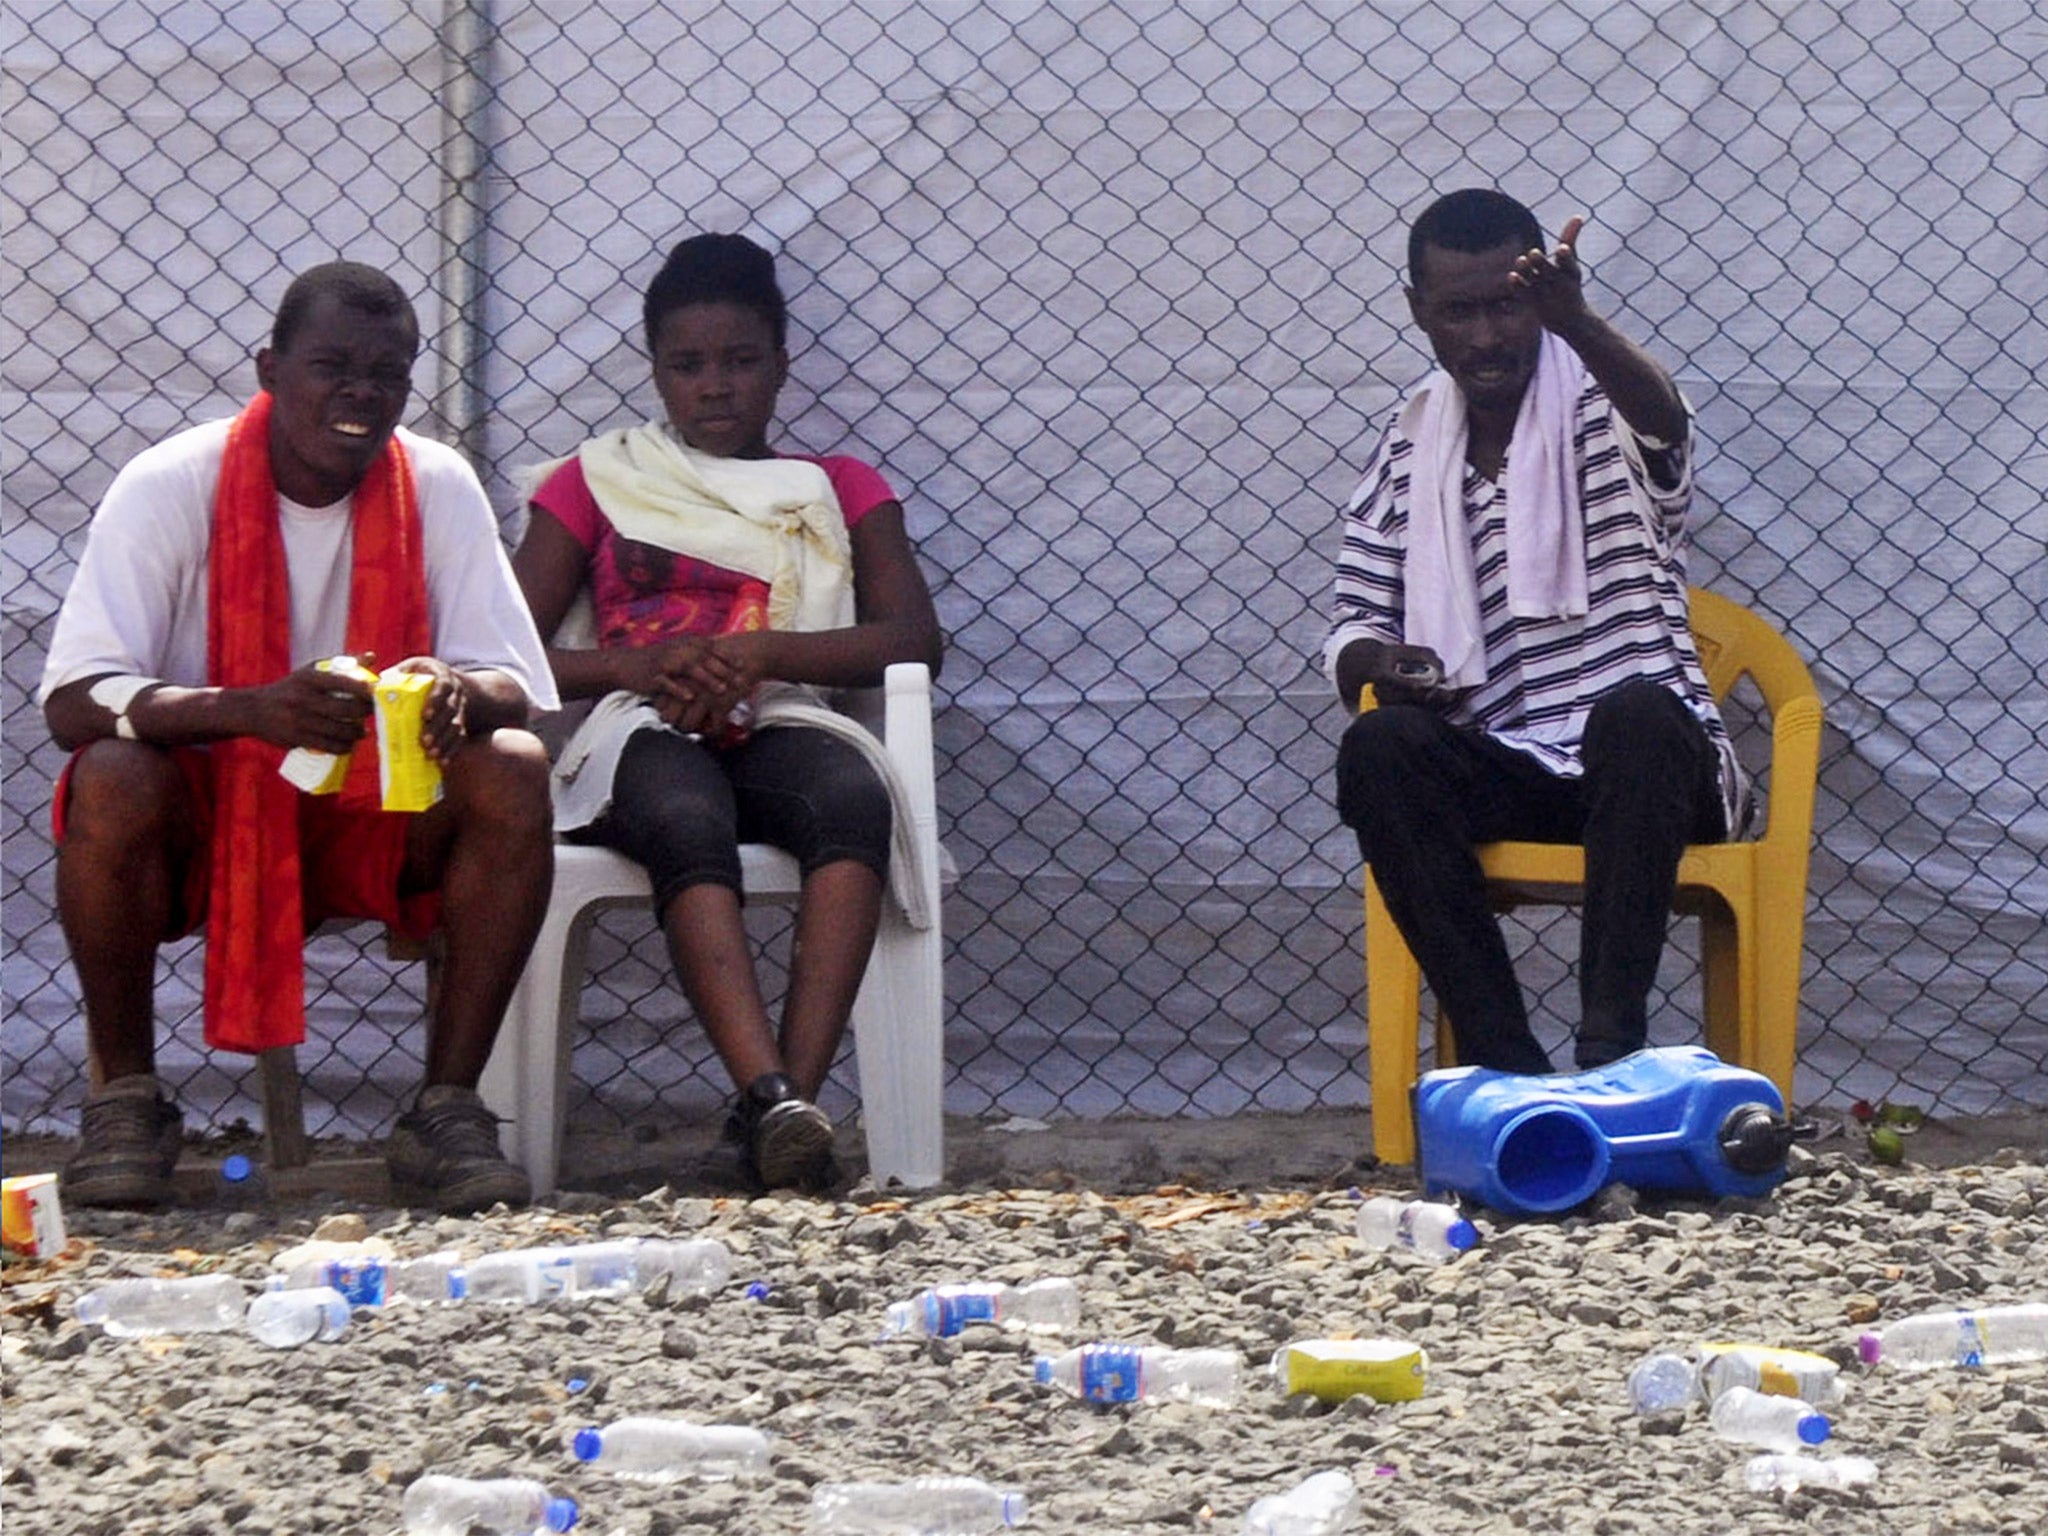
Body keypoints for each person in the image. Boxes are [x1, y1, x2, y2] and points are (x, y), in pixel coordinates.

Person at [39, 260, 559, 1212]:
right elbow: (74, 700)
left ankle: (445, 1112)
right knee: (109, 772)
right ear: (269, 369)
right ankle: (125, 1102)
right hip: (210, 813)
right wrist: (246, 709)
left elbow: (516, 688)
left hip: (376, 810)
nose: (361, 394)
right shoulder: (170, 483)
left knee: (513, 767)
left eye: (388, 374)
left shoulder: (436, 484)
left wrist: (453, 689)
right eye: (332, 367)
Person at [511, 232, 942, 1192]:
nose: (715, 385)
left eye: (742, 361)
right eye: (688, 365)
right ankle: (771, 1100)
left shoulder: (837, 488)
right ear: (657, 374)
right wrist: (653, 664)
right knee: (683, 816)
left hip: (783, 713)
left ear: (782, 366)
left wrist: (759, 655)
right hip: (641, 723)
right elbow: (508, 649)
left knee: (853, 802)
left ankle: (783, 1107)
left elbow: (913, 639)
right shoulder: (596, 479)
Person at [1326, 189, 1750, 1076]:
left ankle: (1610, 1059)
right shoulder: (1410, 443)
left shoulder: (1601, 400)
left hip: (1655, 775)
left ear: (1542, 301)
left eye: (1508, 305)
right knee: (1381, 747)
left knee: (1637, 714)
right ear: (1419, 313)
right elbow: (1354, 627)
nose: (1486, 337)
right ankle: (1508, 1069)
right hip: (1511, 760)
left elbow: (1665, 426)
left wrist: (1581, 323)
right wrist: (1386, 663)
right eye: (1458, 311)